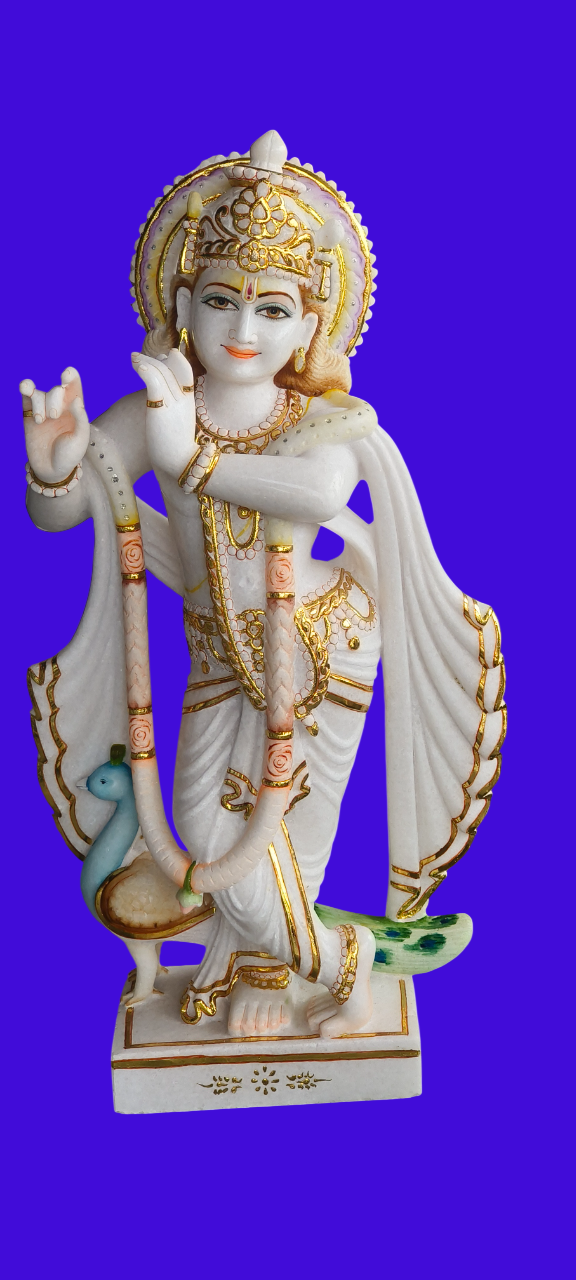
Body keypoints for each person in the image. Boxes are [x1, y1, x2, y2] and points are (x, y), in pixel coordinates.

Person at [22, 131, 505, 1039]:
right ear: (182, 304)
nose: (243, 333)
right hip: (216, 652)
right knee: (206, 831)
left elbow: (317, 494)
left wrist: (192, 461)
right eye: (221, 301)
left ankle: (263, 968)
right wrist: (53, 469)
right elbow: (72, 506)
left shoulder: (320, 417)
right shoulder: (158, 409)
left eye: (273, 310)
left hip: (325, 640)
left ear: (310, 325)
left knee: (295, 832)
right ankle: (342, 961)